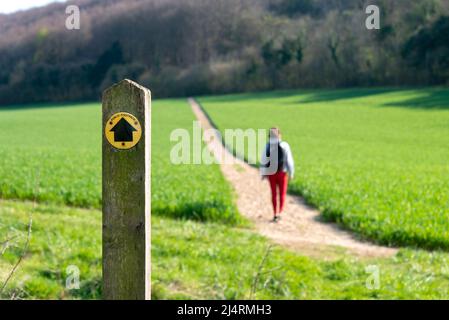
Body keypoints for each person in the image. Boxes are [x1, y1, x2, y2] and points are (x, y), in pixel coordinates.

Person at [260, 127, 295, 222]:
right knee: (282, 193)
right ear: (280, 135)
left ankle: (275, 213)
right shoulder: (284, 145)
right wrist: (291, 172)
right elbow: (289, 160)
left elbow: (264, 159)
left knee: (274, 194)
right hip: (282, 173)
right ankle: (280, 212)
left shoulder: (268, 145)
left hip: (271, 173)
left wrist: (263, 173)